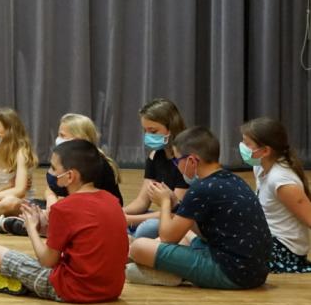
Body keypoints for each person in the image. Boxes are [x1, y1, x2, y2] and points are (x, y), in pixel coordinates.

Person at [126, 126, 270, 290]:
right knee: (186, 233)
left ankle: (168, 273)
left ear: (192, 161)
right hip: (255, 272)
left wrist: (165, 202)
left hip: (231, 273)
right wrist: (175, 205)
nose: (176, 165)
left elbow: (167, 237)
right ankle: (165, 268)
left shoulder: (201, 188)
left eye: (177, 160)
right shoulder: (232, 179)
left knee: (138, 247)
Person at [0, 140, 128, 303]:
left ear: (70, 176)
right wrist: (43, 227)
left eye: (53, 168)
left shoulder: (64, 208)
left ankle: (25, 284)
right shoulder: (112, 200)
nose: (50, 173)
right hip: (113, 290)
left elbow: (47, 261)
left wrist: (31, 228)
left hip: (73, 290)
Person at [240, 117, 311, 273]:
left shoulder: (281, 180)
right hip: (267, 238)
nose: (242, 147)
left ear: (265, 151)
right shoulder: (259, 167)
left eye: (247, 144)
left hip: (284, 250)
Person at [124, 98, 189, 236]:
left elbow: (176, 212)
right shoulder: (155, 155)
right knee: (119, 224)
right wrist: (118, 213)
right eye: (145, 131)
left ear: (171, 128)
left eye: (153, 131)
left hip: (182, 220)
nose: (148, 136)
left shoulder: (184, 161)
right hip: (164, 215)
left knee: (146, 228)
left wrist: (129, 220)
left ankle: (135, 245)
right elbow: (142, 201)